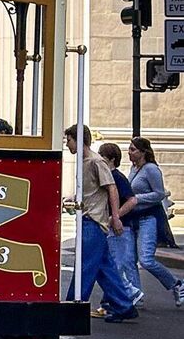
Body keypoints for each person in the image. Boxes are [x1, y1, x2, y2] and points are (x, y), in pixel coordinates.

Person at [63, 125, 136, 321]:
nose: (66, 144)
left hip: (94, 221)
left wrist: (116, 217)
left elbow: (112, 189)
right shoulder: (84, 161)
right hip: (90, 219)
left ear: (77, 139)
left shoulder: (96, 162)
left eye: (68, 140)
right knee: (105, 268)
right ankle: (124, 305)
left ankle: (72, 306)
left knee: (85, 266)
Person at [128, 137, 184, 307]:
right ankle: (136, 295)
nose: (129, 153)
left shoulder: (151, 169)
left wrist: (136, 199)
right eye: (129, 149)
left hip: (149, 218)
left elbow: (159, 194)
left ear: (143, 152)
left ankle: (177, 284)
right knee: (131, 259)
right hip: (134, 218)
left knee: (146, 259)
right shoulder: (133, 168)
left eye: (133, 150)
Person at [97, 143, 143, 308]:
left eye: (102, 156)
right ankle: (111, 301)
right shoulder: (110, 176)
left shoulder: (116, 177)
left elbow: (132, 200)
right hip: (116, 226)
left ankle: (130, 293)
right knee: (111, 264)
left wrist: (115, 217)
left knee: (114, 265)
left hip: (120, 228)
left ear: (111, 159)